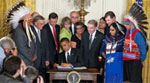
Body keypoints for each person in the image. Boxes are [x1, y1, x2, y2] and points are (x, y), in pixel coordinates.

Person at [123, 3, 148, 83]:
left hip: (135, 62)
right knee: (127, 81)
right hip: (126, 62)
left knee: (135, 80)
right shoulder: (127, 32)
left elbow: (143, 50)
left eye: (126, 24)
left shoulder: (137, 34)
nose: (125, 25)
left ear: (131, 24)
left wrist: (140, 60)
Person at [6, 2, 36, 66]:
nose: (30, 24)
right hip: (23, 61)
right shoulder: (18, 32)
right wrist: (31, 58)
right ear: (23, 22)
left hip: (30, 61)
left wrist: (35, 55)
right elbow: (22, 48)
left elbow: (33, 43)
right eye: (29, 22)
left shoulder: (28, 29)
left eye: (31, 22)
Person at [31, 15, 49, 82]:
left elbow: (47, 46)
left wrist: (47, 59)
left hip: (43, 60)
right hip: (35, 60)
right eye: (41, 24)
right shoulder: (30, 31)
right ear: (35, 23)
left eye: (43, 23)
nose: (43, 25)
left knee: (42, 78)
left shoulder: (44, 31)